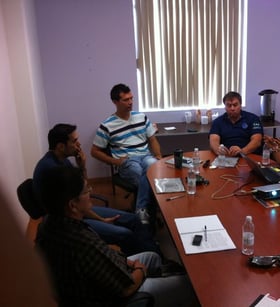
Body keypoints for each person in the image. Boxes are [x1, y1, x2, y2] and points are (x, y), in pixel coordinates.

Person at [36, 166, 197, 307]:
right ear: (72, 205)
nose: (91, 192)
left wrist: (126, 261)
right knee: (189, 285)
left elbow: (103, 258)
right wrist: (140, 269)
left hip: (94, 285)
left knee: (152, 256)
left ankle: (164, 282)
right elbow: (126, 289)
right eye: (86, 191)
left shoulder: (49, 225)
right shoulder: (81, 242)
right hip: (116, 298)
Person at [33, 123, 160, 256]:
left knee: (135, 220)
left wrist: (82, 166)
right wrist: (101, 220)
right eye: (75, 141)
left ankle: (152, 253)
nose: (79, 144)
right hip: (69, 222)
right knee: (125, 234)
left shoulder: (61, 160)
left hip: (78, 210)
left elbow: (82, 190)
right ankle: (143, 263)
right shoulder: (52, 169)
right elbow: (76, 205)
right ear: (60, 146)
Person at [91, 83, 162, 224]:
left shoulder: (141, 117)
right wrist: (115, 162)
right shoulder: (107, 125)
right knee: (143, 174)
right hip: (128, 160)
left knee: (154, 168)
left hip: (146, 156)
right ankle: (156, 209)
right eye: (126, 100)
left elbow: (152, 139)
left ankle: (141, 210)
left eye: (131, 98)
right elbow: (94, 151)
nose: (130, 103)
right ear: (115, 102)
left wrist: (158, 156)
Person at [209, 91, 263, 157]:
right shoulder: (217, 122)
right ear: (225, 107)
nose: (232, 108)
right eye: (229, 105)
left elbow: (257, 141)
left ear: (240, 105)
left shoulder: (253, 119)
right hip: (226, 157)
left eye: (235, 105)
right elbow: (213, 141)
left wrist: (242, 151)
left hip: (248, 155)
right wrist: (219, 150)